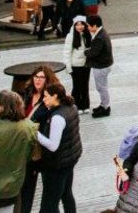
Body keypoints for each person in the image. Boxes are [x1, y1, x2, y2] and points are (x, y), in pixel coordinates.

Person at [18, 65, 63, 213]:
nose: (37, 80)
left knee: (50, 193)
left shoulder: (49, 99)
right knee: (26, 188)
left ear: (47, 80)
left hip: (41, 149)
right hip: (26, 146)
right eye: (36, 76)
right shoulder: (27, 94)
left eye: (41, 77)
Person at [35, 83, 82, 213]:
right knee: (66, 194)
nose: (43, 99)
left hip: (57, 165)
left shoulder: (57, 117)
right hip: (69, 159)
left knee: (48, 205)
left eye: (45, 96)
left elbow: (53, 145)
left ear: (55, 96)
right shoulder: (71, 106)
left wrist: (35, 133)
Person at [84, 15, 114, 118]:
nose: (87, 28)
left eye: (89, 26)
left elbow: (93, 53)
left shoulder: (99, 37)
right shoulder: (101, 32)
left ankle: (105, 108)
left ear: (95, 25)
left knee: (101, 87)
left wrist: (85, 51)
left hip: (101, 66)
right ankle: (103, 104)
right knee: (102, 87)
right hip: (104, 64)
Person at [63, 16, 91, 110]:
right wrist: (68, 68)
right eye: (77, 24)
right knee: (77, 86)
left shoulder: (87, 35)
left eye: (82, 24)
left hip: (86, 65)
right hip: (75, 66)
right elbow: (67, 53)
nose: (80, 26)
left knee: (85, 85)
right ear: (74, 26)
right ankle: (76, 106)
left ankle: (85, 105)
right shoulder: (70, 36)